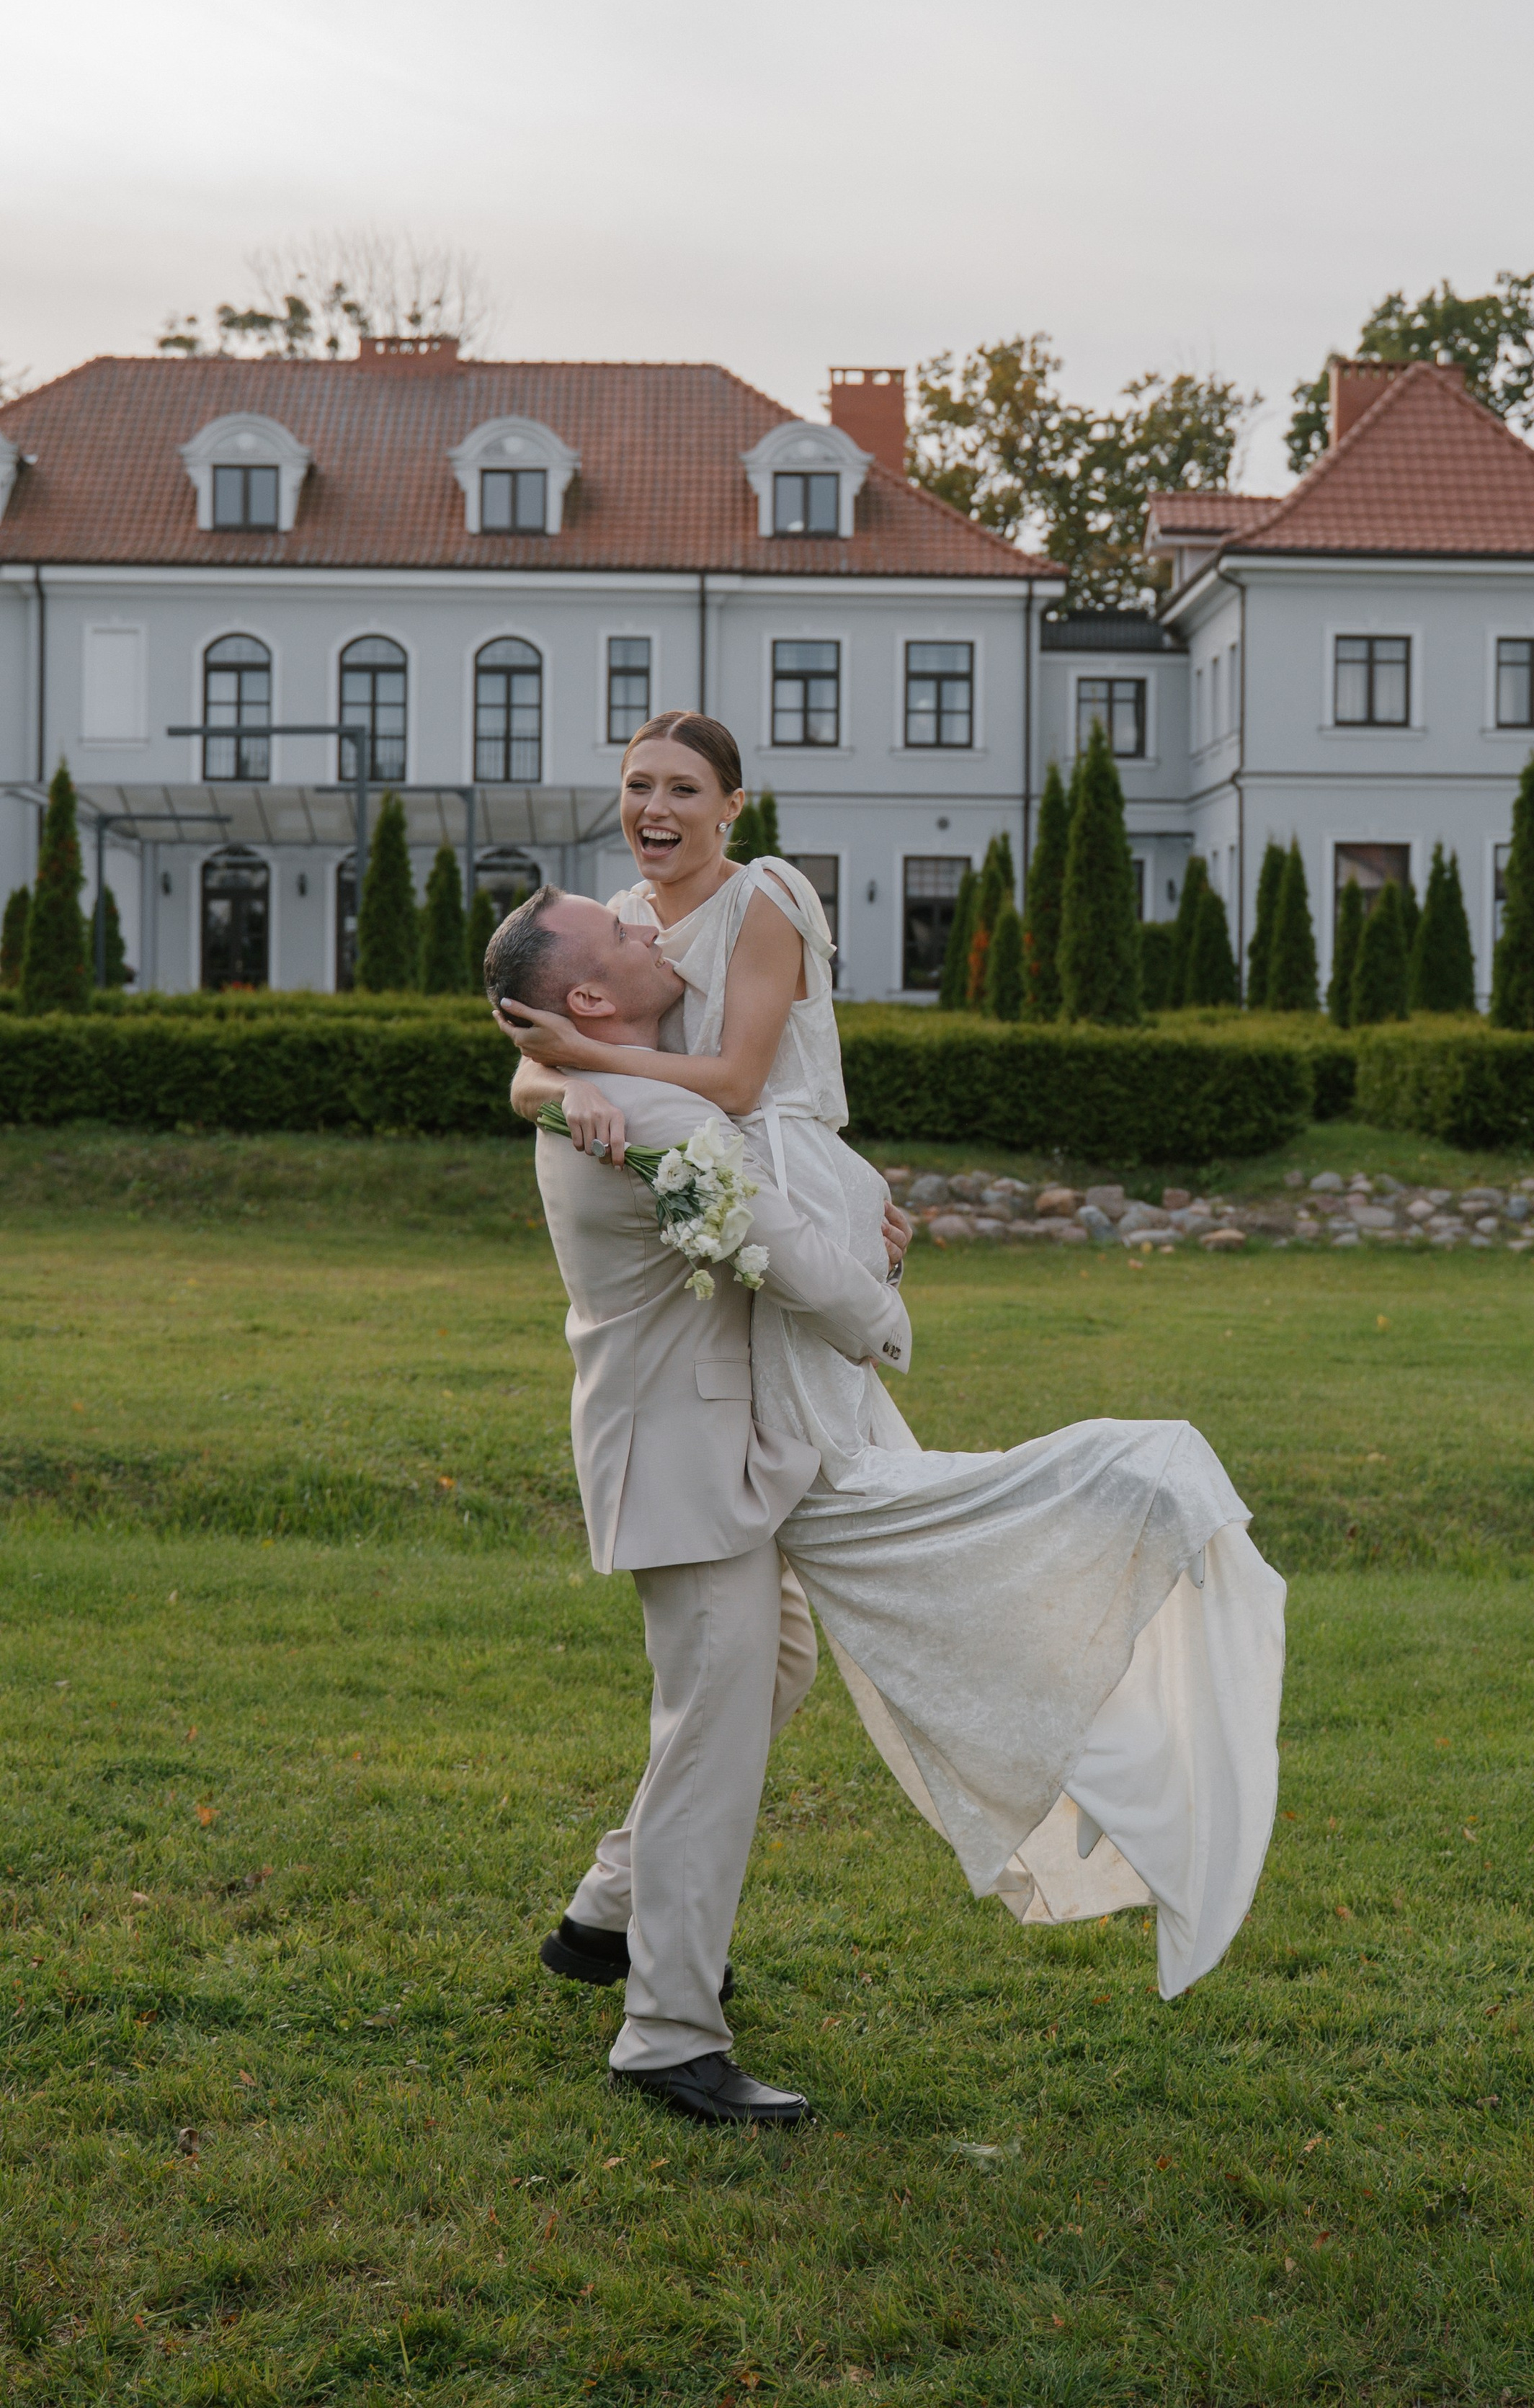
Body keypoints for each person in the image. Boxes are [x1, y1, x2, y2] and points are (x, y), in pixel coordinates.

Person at [499, 715, 1287, 2012]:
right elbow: (541, 1025)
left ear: (733, 806)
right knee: (733, 1684)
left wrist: (587, 1067)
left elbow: (740, 1077)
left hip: (771, 1178)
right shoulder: (614, 942)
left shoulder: (755, 905)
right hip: (732, 1290)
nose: (654, 807)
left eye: (682, 787)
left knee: (779, 1658)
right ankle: (661, 2002)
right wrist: (554, 1079)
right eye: (638, 784)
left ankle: (610, 1913)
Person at [485, 892, 911, 2126]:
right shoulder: (658, 1115)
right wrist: (884, 1293)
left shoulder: (620, 1086)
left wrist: (552, 1074)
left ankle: (606, 1916)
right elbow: (776, 1253)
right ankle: (668, 2035)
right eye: (624, 942)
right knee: (712, 1738)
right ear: (589, 1004)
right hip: (678, 1459)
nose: (652, 936)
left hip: (710, 1449)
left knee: (770, 1671)